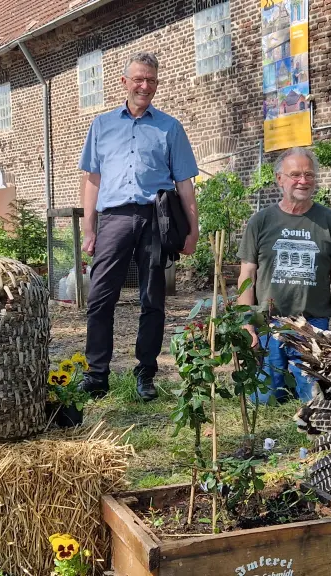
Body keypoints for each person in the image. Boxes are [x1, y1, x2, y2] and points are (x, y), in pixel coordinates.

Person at [78, 52, 199, 401]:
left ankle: (145, 373)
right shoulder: (101, 126)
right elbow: (92, 180)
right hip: (113, 218)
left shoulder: (170, 128)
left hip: (154, 221)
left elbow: (185, 185)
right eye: (139, 79)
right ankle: (96, 374)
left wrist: (192, 230)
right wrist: (90, 229)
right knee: (100, 298)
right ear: (124, 82)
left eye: (151, 80)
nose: (145, 86)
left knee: (152, 300)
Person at [236, 146, 331, 404]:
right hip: (269, 324)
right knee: (263, 400)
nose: (303, 181)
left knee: (315, 398)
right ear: (280, 179)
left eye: (309, 175)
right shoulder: (261, 222)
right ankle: (279, 381)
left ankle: (298, 380)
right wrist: (246, 323)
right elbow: (247, 277)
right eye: (295, 174)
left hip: (313, 325)